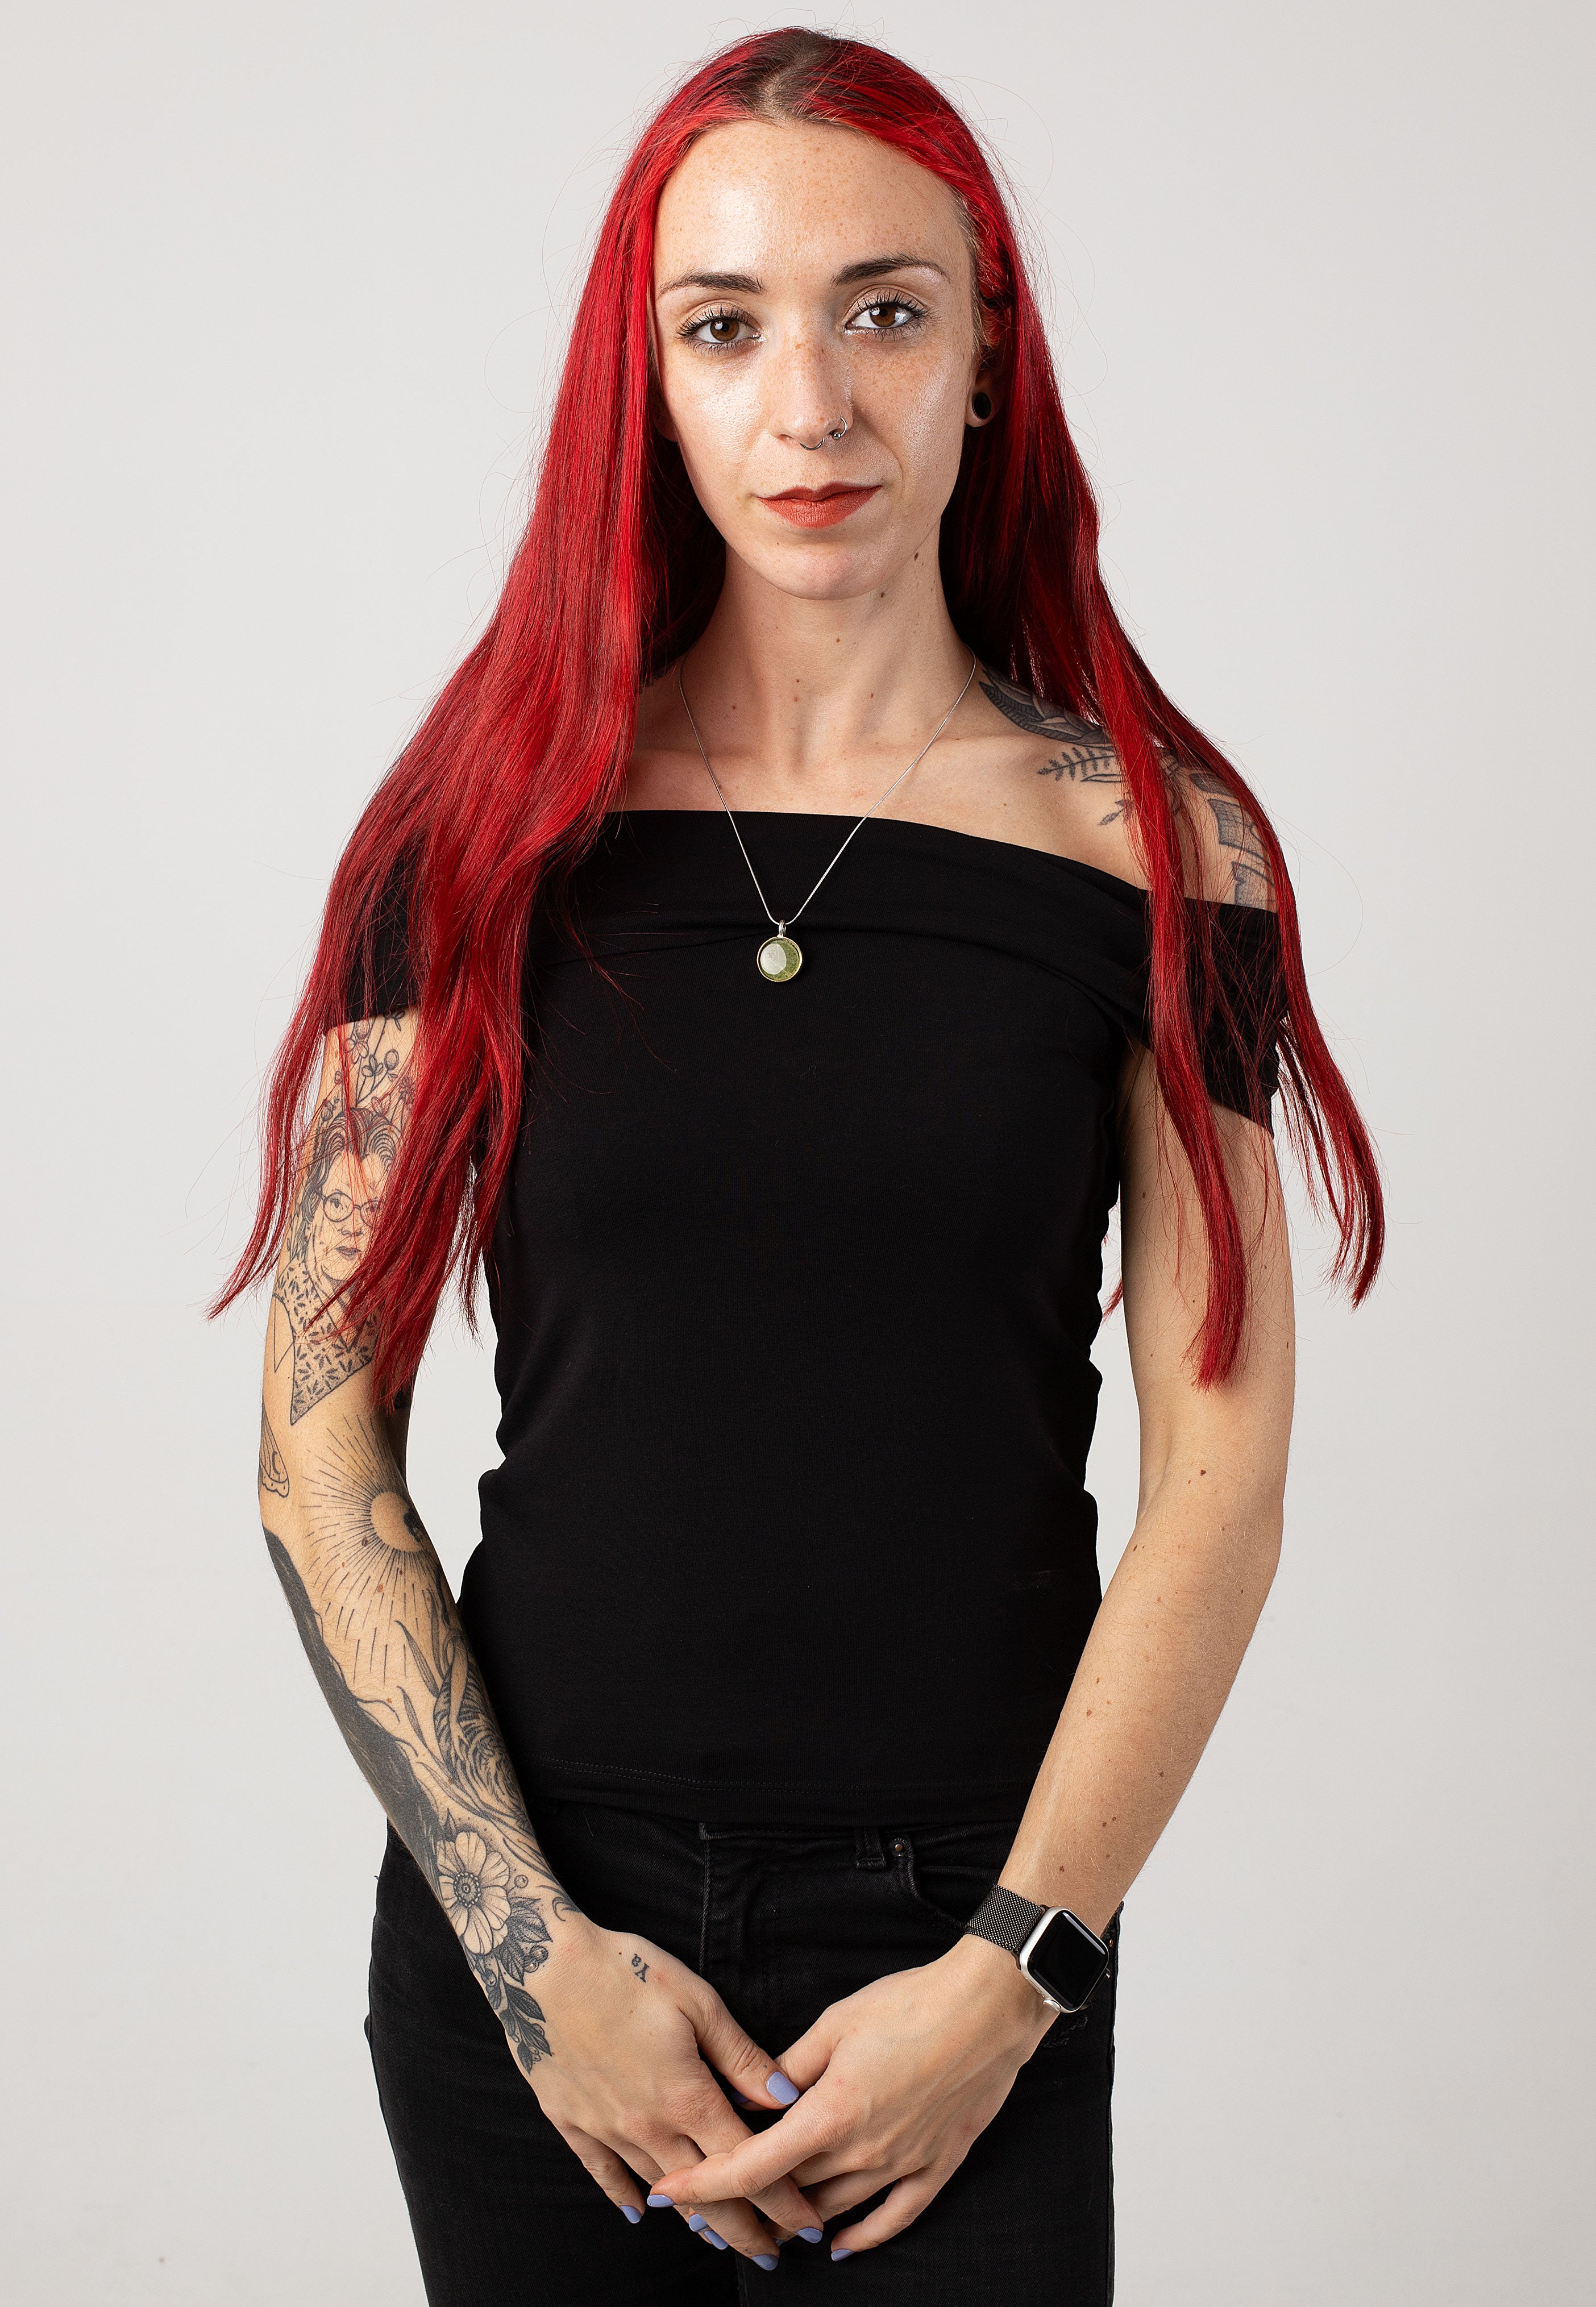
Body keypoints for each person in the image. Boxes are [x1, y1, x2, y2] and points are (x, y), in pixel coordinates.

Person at [217, 27, 1382, 2304]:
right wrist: (537, 1966)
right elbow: (313, 1454)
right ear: (645, 379)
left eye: (886, 311)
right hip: (543, 1945)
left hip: (964, 1944)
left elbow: (1220, 1483)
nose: (813, 404)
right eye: (726, 326)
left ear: (985, 354)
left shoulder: (1164, 853)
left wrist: (1013, 1975)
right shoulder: (475, 840)